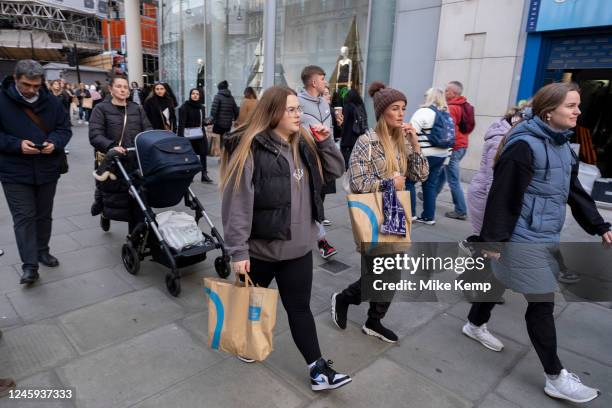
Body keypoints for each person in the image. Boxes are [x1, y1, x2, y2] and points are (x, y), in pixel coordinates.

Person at [464, 82, 611, 404]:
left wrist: (600, 225)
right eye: (571, 106)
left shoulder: (561, 146)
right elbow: (503, 198)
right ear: (549, 112)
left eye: (578, 105)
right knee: (542, 303)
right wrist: (494, 242)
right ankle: (555, 377)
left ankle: (475, 323)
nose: (578, 111)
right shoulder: (524, 147)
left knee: (497, 279)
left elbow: (573, 191)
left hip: (543, 232)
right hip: (522, 235)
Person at [221, 86, 351, 391]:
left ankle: (318, 370)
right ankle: (246, 342)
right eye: (291, 109)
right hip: (261, 250)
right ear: (273, 112)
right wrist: (238, 251)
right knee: (250, 303)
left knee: (299, 308)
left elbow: (335, 170)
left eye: (298, 109)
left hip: (299, 247)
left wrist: (326, 142)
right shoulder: (250, 148)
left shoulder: (303, 141)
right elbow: (237, 203)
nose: (298, 114)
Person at [331, 82, 428, 344]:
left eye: (403, 109)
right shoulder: (367, 141)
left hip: (395, 211)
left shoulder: (402, 142)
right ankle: (344, 298)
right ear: (382, 111)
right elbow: (358, 182)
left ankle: (374, 321)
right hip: (374, 213)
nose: (400, 113)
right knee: (375, 275)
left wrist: (415, 144)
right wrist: (389, 183)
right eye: (395, 108)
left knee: (392, 275)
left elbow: (419, 175)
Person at [0, 59, 72, 285]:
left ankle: (43, 251)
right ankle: (29, 265)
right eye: (26, 85)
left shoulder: (51, 101)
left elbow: (64, 128)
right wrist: (17, 145)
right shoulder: (1, 100)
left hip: (47, 169)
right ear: (15, 79)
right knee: (24, 218)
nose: (31, 90)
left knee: (43, 214)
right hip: (14, 171)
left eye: (36, 85)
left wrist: (54, 142)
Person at [89, 75, 152, 232]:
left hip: (134, 159)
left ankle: (135, 235)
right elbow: (95, 135)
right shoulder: (101, 109)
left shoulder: (137, 108)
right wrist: (111, 146)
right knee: (112, 195)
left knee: (136, 198)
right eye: (119, 86)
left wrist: (149, 142)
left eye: (125, 87)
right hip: (112, 160)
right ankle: (104, 213)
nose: (123, 89)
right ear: (110, 89)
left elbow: (148, 129)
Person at [297, 65, 338, 258]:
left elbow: (328, 130)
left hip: (325, 160)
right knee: (311, 200)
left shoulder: (324, 103)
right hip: (306, 161)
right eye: (323, 79)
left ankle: (313, 232)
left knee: (319, 199)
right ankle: (322, 241)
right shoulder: (297, 103)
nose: (325, 82)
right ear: (314, 82)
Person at [406, 88, 453, 224]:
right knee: (430, 185)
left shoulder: (424, 112)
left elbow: (411, 133)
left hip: (424, 154)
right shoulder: (446, 115)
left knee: (409, 182)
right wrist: (447, 158)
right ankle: (428, 216)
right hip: (441, 155)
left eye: (425, 95)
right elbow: (451, 138)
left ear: (429, 97)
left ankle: (411, 214)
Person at [436, 81, 474, 220]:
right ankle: (431, 194)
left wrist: (443, 145)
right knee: (443, 173)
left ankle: (460, 210)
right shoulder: (464, 105)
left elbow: (448, 130)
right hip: (462, 146)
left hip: (454, 147)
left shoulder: (452, 108)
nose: (444, 93)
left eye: (447, 91)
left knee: (453, 180)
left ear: (454, 93)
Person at [178, 88, 212, 183]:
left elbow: (202, 122)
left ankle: (204, 174)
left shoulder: (202, 107)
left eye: (197, 94)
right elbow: (182, 123)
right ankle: (190, 174)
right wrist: (181, 138)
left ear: (200, 95)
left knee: (203, 153)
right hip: (188, 135)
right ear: (190, 95)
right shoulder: (184, 107)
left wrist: (207, 122)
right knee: (190, 155)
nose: (195, 95)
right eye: (193, 93)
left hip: (200, 134)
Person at [339, 89, 368, 170]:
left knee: (347, 162)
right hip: (358, 136)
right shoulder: (361, 106)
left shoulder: (348, 107)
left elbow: (344, 123)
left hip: (347, 138)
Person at [210, 80, 239, 146]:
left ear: (219, 88)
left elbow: (213, 111)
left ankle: (220, 154)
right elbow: (236, 111)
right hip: (228, 125)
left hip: (218, 124)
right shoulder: (231, 98)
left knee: (218, 142)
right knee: (225, 141)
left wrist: (211, 120)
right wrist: (234, 119)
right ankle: (224, 154)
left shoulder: (217, 96)